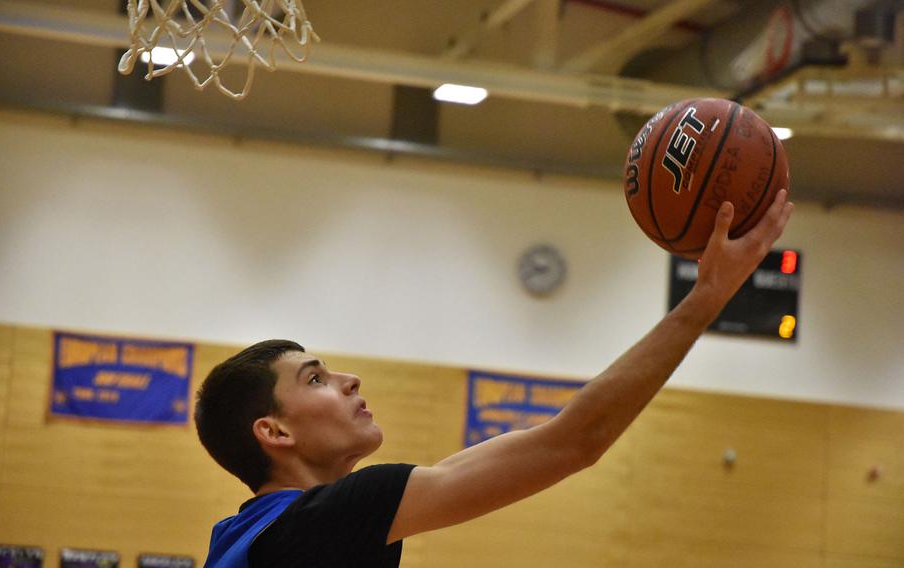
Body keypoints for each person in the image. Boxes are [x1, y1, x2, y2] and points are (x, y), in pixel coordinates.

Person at [195, 191, 794, 567]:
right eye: (317, 379)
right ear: (273, 431)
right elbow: (574, 440)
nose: (349, 380)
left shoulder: (238, 536)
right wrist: (706, 298)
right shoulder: (331, 518)